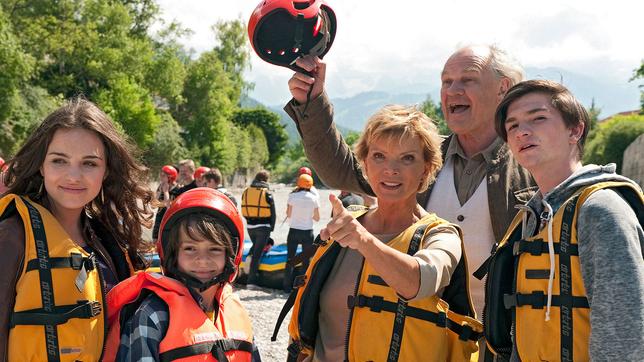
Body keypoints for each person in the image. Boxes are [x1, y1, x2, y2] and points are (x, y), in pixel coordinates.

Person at [284, 45, 536, 319]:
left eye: (468, 80)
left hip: (502, 341)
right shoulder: (420, 158)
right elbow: (340, 169)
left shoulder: (534, 166)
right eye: (446, 81)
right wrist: (313, 100)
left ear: (504, 88)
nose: (452, 91)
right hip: (417, 335)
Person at [286, 105, 482, 361]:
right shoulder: (346, 228)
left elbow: (419, 281)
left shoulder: (441, 235)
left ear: (426, 168)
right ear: (365, 163)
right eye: (379, 156)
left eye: (407, 158)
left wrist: (364, 240)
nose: (391, 169)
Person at [482, 80, 644, 361]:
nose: (523, 132)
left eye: (538, 118)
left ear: (575, 130)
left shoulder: (599, 209)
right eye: (513, 126)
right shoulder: (531, 218)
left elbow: (625, 333)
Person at [0, 97, 154, 360]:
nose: (73, 176)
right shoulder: (11, 236)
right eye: (59, 161)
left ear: (106, 170)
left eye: (89, 163)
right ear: (41, 165)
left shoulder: (109, 242)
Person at [104, 188, 260, 361]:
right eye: (190, 249)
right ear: (173, 254)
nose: (202, 260)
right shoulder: (153, 315)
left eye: (214, 249)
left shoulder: (237, 312)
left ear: (231, 256)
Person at [283, 174, 320, 293]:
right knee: (306, 260)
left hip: (294, 230)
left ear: (298, 183)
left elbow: (288, 214)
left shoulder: (292, 197)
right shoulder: (314, 198)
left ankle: (286, 287)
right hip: (307, 231)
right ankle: (302, 288)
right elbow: (317, 218)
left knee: (290, 259)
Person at [241, 170, 276, 286]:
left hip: (250, 227)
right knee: (257, 254)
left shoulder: (246, 191)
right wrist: (271, 228)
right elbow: (273, 213)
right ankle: (251, 282)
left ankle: (248, 260)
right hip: (263, 228)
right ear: (266, 180)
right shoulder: (267, 194)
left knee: (256, 247)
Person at [152, 165, 179, 242]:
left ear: (170, 177)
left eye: (163, 175)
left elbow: (169, 207)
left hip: (170, 220)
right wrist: (160, 192)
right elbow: (153, 205)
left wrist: (166, 192)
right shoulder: (161, 187)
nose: (161, 177)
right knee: (155, 241)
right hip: (159, 219)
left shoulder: (178, 189)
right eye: (161, 175)